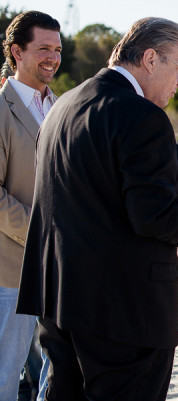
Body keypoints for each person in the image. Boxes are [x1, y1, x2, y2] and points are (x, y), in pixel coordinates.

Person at [16, 17, 178, 400]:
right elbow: (152, 216)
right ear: (151, 59)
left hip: (59, 301)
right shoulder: (142, 116)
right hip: (123, 313)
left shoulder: (62, 105)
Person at [0, 11, 61, 401]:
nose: (52, 58)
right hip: (9, 271)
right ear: (15, 52)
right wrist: (40, 233)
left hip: (57, 270)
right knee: (5, 374)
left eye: (57, 49)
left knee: (53, 376)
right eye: (43, 49)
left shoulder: (63, 107)